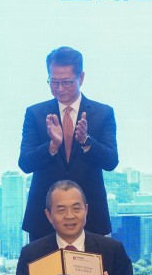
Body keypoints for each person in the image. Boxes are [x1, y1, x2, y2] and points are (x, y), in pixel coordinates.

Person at [19, 47, 118, 241]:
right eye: (54, 82)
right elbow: (25, 163)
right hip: (44, 218)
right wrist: (52, 146)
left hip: (90, 216)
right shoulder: (35, 114)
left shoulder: (103, 113)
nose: (60, 88)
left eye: (66, 82)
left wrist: (86, 142)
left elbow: (111, 161)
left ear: (81, 78)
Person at [8, 180, 140, 275]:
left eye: (76, 209)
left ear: (86, 210)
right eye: (61, 210)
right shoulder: (31, 253)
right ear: (49, 215)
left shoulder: (112, 249)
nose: (70, 216)